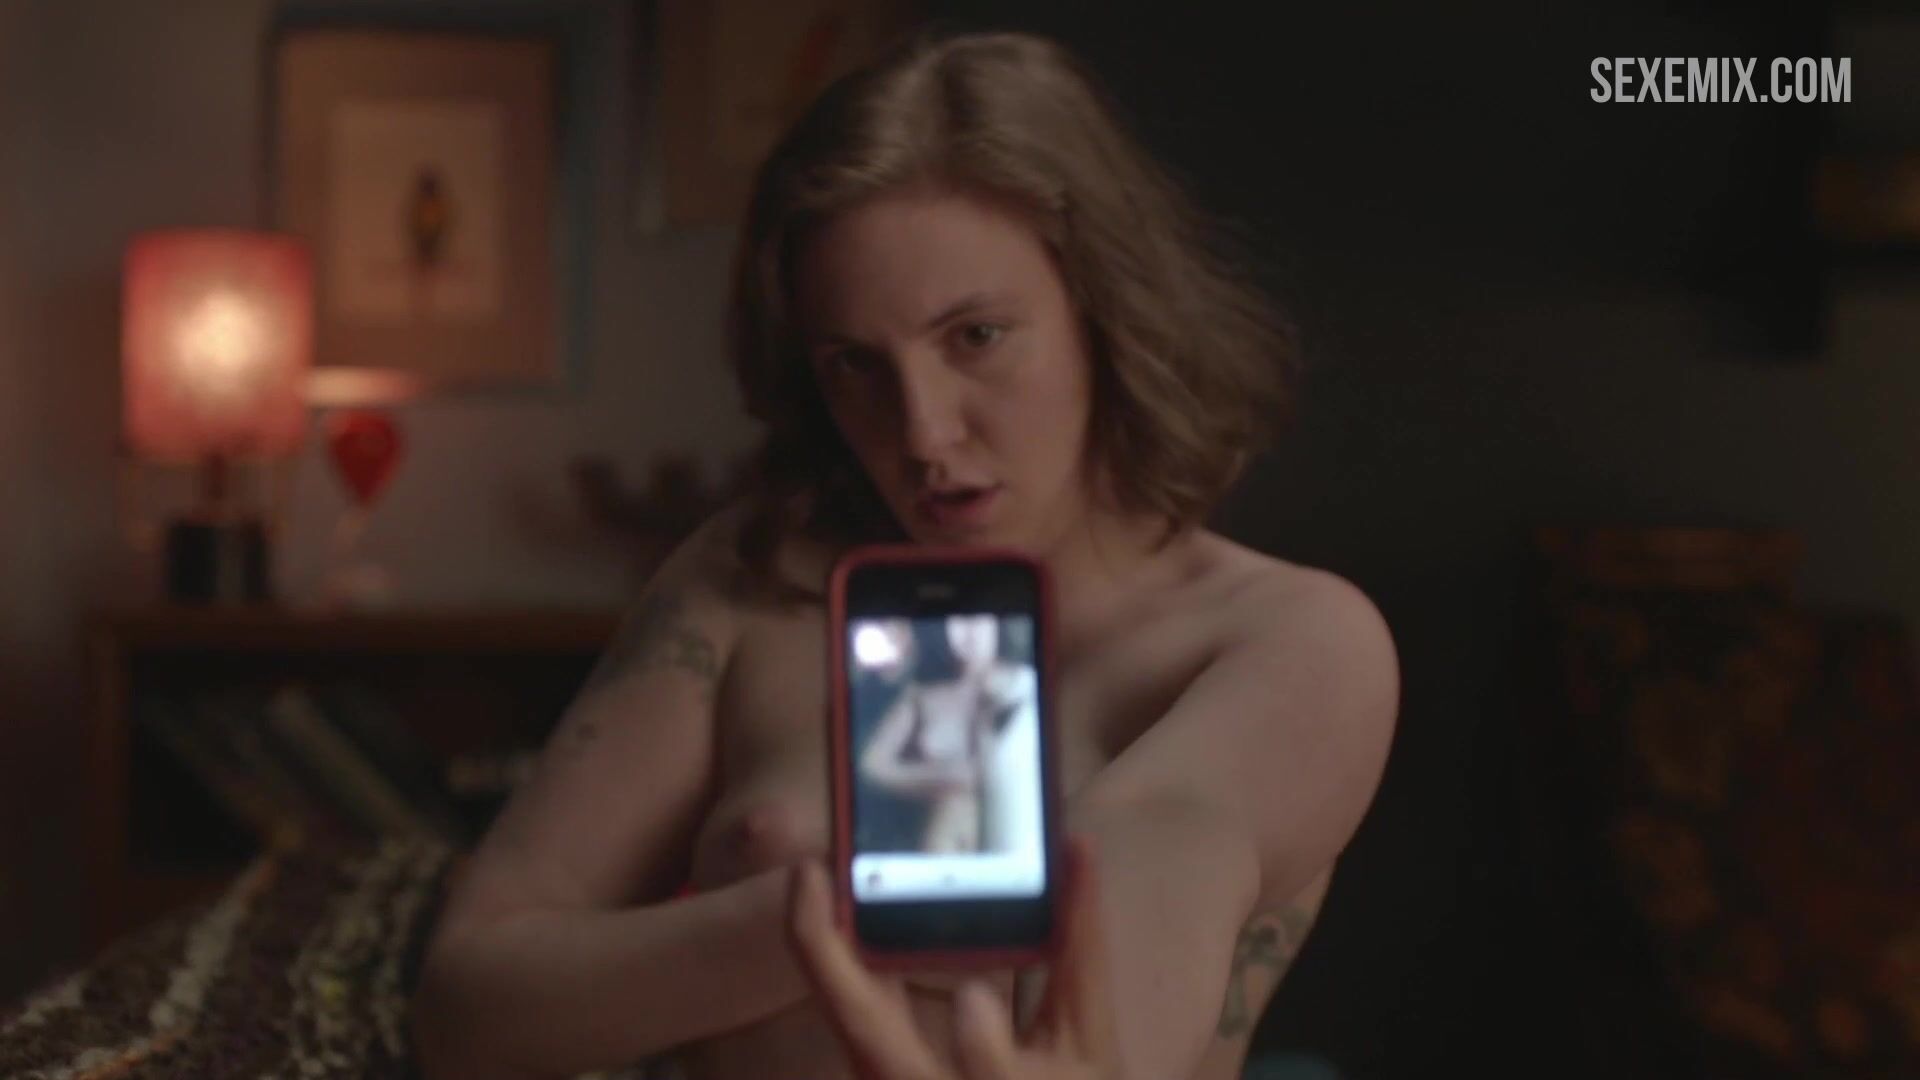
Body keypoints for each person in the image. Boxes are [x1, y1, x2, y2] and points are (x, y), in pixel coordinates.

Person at [409, 26, 1399, 1080]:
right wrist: (831, 916)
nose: (923, 433)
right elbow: (468, 1006)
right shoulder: (749, 583)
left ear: (1102, 310)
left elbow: (1154, 853)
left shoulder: (1288, 638)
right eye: (856, 364)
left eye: (976, 337)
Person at [859, 615, 1035, 854]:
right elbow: (872, 764)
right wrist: (946, 775)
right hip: (940, 848)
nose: (968, 634)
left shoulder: (1027, 684)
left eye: (978, 619)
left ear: (998, 623)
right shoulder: (922, 695)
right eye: (957, 621)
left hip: (1017, 841)